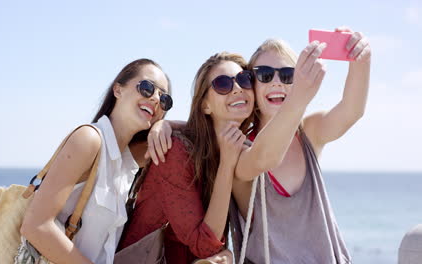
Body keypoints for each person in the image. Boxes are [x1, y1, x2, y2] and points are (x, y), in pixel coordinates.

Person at [231, 27, 371, 263]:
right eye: (264, 74)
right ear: (251, 84)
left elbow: (351, 110)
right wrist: (299, 97)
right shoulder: (240, 148)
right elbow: (264, 157)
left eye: (287, 75)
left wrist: (361, 61)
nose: (276, 82)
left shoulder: (309, 133)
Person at [20, 58, 173, 264]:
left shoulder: (129, 161)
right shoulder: (89, 140)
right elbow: (36, 226)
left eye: (164, 99)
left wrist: (163, 125)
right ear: (118, 90)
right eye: (147, 88)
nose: (155, 99)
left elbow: (195, 135)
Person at [118, 52, 255, 264]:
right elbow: (205, 245)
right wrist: (227, 165)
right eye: (222, 83)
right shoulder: (176, 153)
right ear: (205, 105)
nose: (237, 88)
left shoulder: (235, 149)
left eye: (245, 80)